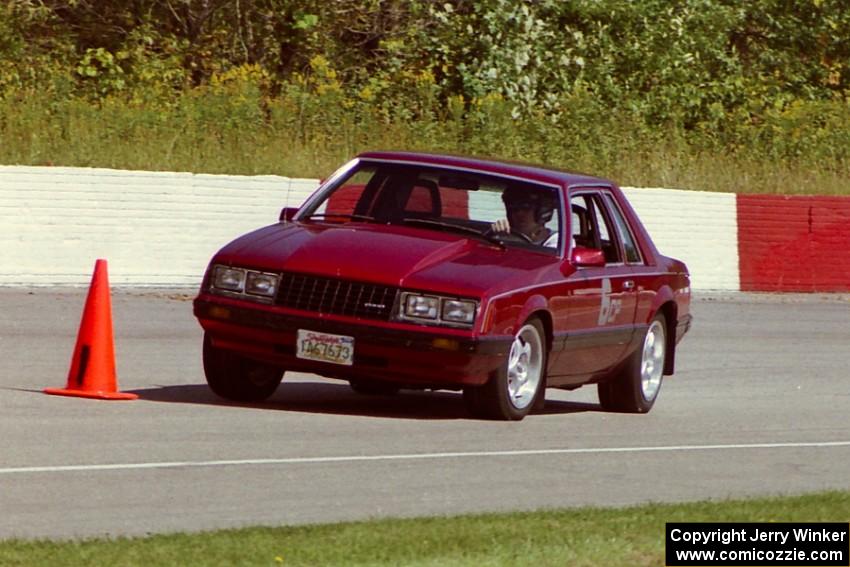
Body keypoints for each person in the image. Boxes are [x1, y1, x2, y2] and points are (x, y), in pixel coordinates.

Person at [491, 186, 558, 247]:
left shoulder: (554, 242)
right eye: (514, 209)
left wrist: (512, 242)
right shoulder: (502, 235)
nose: (519, 214)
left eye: (526, 208)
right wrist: (499, 239)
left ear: (542, 211)